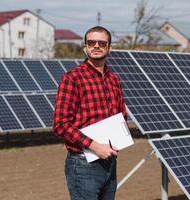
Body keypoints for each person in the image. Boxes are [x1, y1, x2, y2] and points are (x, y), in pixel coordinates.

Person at [53, 26, 127, 200]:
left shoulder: (114, 79)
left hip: (109, 162)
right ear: (85, 46)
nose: (96, 46)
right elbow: (60, 124)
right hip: (83, 164)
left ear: (109, 47)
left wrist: (117, 141)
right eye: (91, 42)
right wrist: (94, 146)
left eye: (101, 43)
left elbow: (122, 115)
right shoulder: (72, 78)